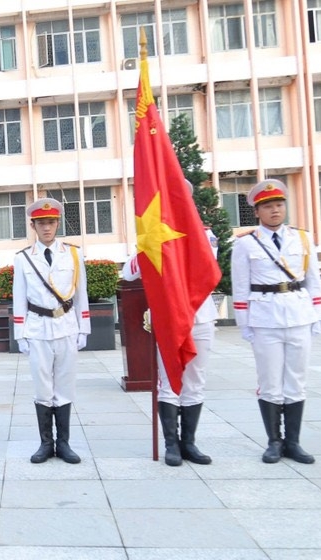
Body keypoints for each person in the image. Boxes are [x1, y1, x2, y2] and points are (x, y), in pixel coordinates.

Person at [121, 181, 218, 467]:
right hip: (169, 318)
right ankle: (171, 444)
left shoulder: (205, 236)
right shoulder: (155, 236)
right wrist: (148, 247)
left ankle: (189, 443)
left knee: (195, 381)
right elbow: (129, 273)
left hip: (199, 315)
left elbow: (205, 268)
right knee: (168, 382)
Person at [232, 179, 321, 464]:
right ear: (257, 211)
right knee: (270, 381)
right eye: (268, 206)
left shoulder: (303, 239)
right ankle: (273, 441)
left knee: (296, 380)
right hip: (264, 318)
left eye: (279, 205)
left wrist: (317, 316)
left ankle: (293, 442)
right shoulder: (245, 244)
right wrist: (244, 323)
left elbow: (312, 281)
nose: (275, 211)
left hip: (298, 314)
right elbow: (240, 286)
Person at [12, 198, 90, 464]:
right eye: (41, 223)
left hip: (66, 326)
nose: (47, 228)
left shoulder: (73, 254)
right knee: (43, 388)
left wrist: (84, 328)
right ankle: (46, 443)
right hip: (37, 328)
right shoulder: (23, 258)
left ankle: (64, 444)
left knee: (65, 386)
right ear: (33, 225)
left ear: (57, 224)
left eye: (51, 223)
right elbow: (19, 297)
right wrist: (20, 333)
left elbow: (81, 294)